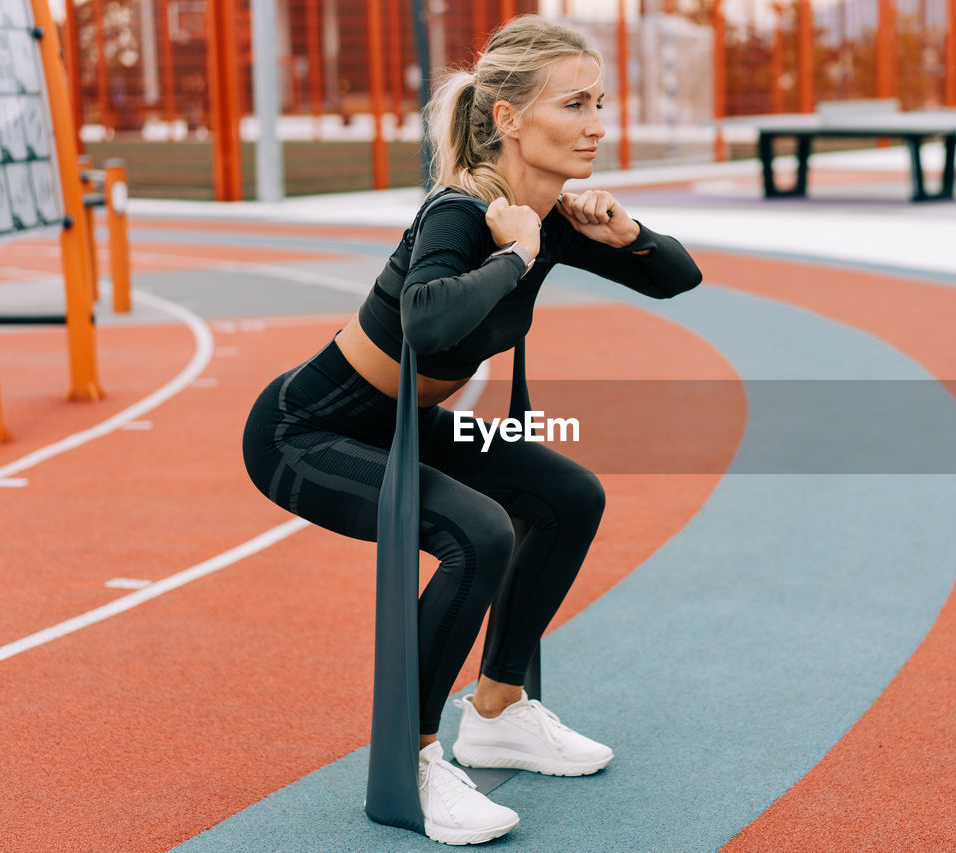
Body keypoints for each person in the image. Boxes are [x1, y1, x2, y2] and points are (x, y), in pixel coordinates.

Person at [242, 15, 702, 846]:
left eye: (601, 102)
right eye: (576, 104)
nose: (598, 123)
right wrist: (515, 256)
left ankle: (497, 710)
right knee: (477, 531)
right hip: (302, 431)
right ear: (510, 118)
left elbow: (679, 279)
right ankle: (414, 760)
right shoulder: (461, 210)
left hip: (403, 423)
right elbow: (425, 318)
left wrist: (627, 235)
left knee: (569, 496)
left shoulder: (549, 215)